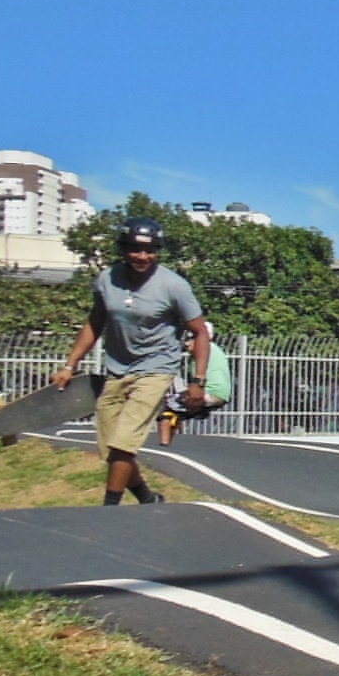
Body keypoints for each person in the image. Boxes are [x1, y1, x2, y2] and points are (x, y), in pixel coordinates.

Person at [51, 216, 211, 506]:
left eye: (150, 250)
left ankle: (109, 509)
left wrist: (198, 381)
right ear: (124, 249)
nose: (143, 256)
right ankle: (147, 498)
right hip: (116, 370)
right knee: (112, 451)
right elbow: (94, 323)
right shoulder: (107, 280)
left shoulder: (174, 286)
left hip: (156, 369)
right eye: (135, 249)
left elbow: (200, 332)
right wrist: (69, 365)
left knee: (124, 443)